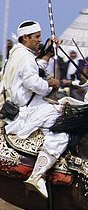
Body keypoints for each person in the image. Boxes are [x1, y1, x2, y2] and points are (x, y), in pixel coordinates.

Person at [3, 20, 69, 198]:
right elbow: (33, 82)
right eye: (37, 37)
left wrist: (48, 52)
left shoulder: (18, 54)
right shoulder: (25, 57)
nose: (39, 40)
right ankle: (37, 175)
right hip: (25, 109)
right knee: (62, 127)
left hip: (20, 105)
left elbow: (34, 69)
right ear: (26, 37)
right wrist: (50, 83)